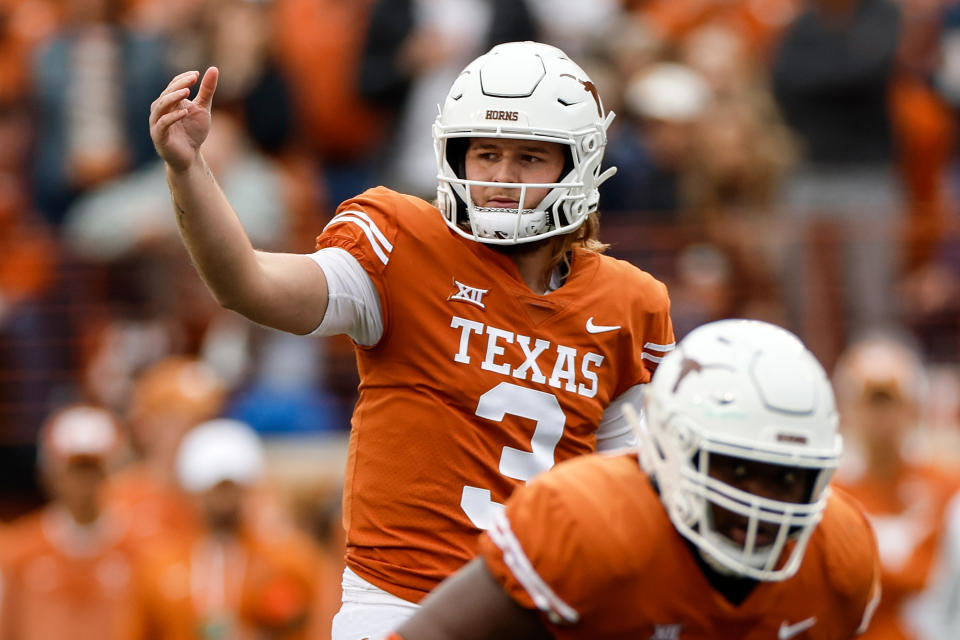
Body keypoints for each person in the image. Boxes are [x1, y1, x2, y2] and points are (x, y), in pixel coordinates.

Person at [148, 40, 675, 638]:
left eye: (529, 158)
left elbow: (630, 502)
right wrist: (188, 172)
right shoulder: (403, 244)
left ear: (576, 165)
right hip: (400, 605)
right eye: (486, 154)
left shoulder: (629, 304)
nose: (502, 178)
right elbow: (250, 284)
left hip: (547, 613)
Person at [392, 319, 882, 639]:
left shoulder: (839, 558)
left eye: (786, 478)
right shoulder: (589, 524)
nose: (762, 502)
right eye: (735, 469)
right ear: (670, 446)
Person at [124, 418, 317, 640]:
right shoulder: (159, 565)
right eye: (215, 489)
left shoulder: (287, 559)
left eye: (232, 489)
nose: (225, 500)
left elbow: (309, 628)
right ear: (193, 490)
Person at [830, 331, 960, 640]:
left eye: (890, 402)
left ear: (913, 407)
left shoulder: (947, 486)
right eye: (870, 402)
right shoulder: (831, 496)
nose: (881, 417)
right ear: (848, 408)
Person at [0, 404, 139, 640]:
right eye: (74, 470)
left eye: (93, 469)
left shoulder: (139, 551)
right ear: (49, 473)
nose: (83, 482)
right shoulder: (20, 550)